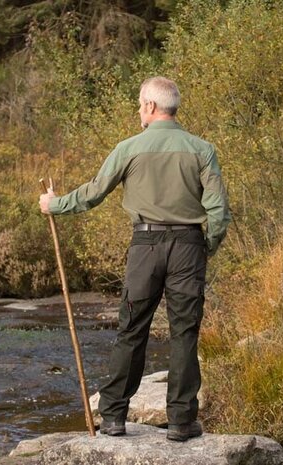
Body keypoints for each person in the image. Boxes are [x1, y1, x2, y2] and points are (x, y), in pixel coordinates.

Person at [39, 76, 231, 442]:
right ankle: (180, 422)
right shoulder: (202, 149)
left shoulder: (129, 148)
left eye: (139, 104)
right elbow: (219, 211)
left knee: (132, 330)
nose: (138, 110)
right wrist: (206, 245)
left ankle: (112, 417)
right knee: (184, 333)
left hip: (145, 247)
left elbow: (94, 193)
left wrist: (55, 204)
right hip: (189, 246)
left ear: (150, 107)